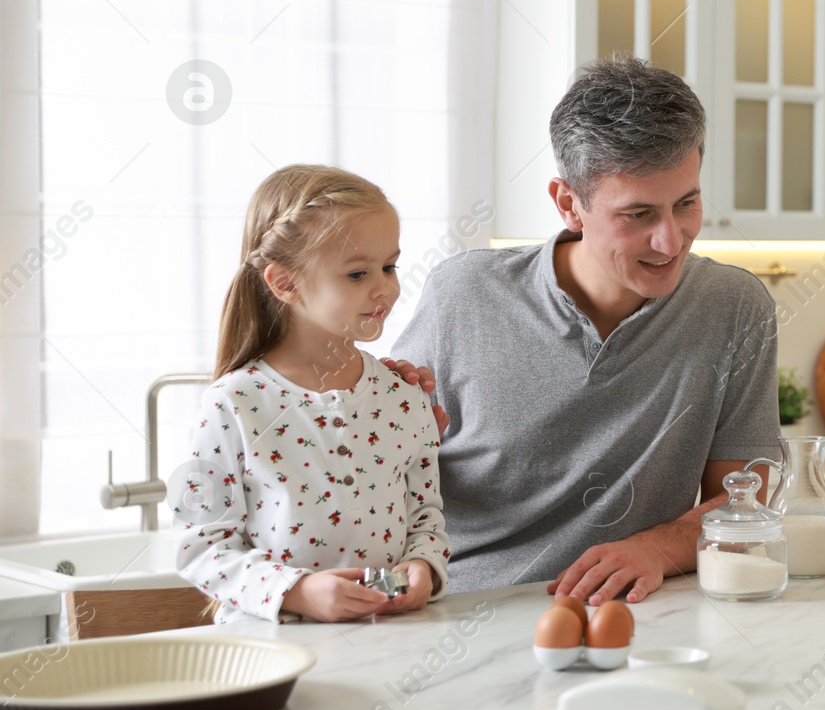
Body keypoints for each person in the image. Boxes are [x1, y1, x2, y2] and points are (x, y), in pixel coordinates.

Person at [386, 57, 781, 604]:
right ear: (568, 203)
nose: (672, 240)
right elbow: (380, 473)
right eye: (637, 215)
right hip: (469, 610)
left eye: (686, 204)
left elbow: (746, 501)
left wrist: (659, 547)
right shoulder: (466, 295)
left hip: (643, 611)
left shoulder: (734, 308)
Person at [174, 165, 450, 623]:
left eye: (389, 266)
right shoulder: (234, 404)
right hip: (268, 655)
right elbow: (200, 548)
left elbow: (426, 515)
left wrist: (424, 568)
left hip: (391, 644)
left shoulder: (405, 395)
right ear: (284, 282)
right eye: (358, 273)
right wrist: (299, 592)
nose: (385, 287)